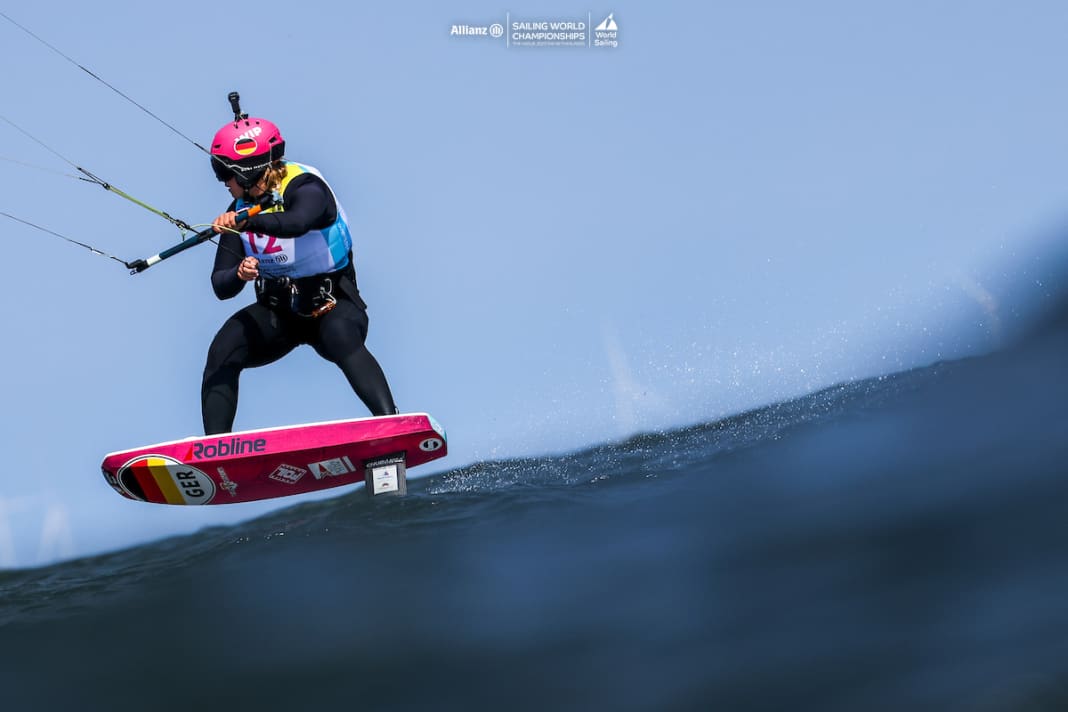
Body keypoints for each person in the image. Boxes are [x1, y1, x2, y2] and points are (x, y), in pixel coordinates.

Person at [201, 115, 397, 435]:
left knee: (339, 335)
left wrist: (248, 222)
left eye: (225, 172)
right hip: (279, 314)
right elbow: (220, 285)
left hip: (333, 306)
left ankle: (390, 425)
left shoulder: (307, 187)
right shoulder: (239, 209)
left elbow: (297, 222)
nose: (223, 181)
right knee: (224, 346)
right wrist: (239, 273)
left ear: (249, 170)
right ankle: (216, 450)